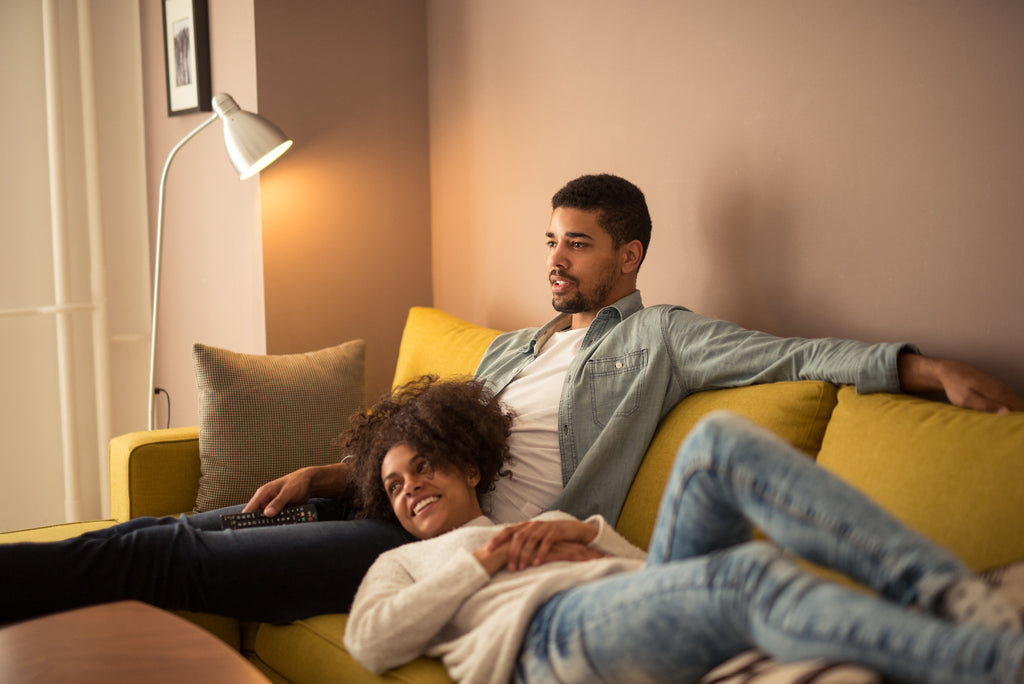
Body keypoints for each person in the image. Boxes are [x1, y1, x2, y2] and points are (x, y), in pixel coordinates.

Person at [2, 174, 1021, 625]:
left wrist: (924, 368)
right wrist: (331, 472)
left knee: (161, 557)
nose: (554, 259)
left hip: (451, 542)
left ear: (628, 255)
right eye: (550, 238)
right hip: (393, 502)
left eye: (575, 242)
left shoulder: (661, 337)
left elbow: (798, 351)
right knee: (176, 526)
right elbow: (423, 438)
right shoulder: (511, 349)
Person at [342, 376, 1024, 684]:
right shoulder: (402, 565)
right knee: (746, 577)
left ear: (466, 466)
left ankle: (948, 596)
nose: (411, 491)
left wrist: (583, 539)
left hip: (628, 606)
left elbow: (655, 578)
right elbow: (370, 643)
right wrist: (484, 564)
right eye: (395, 487)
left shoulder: (541, 522)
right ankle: (992, 666)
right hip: (545, 643)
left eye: (422, 468)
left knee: (721, 439)